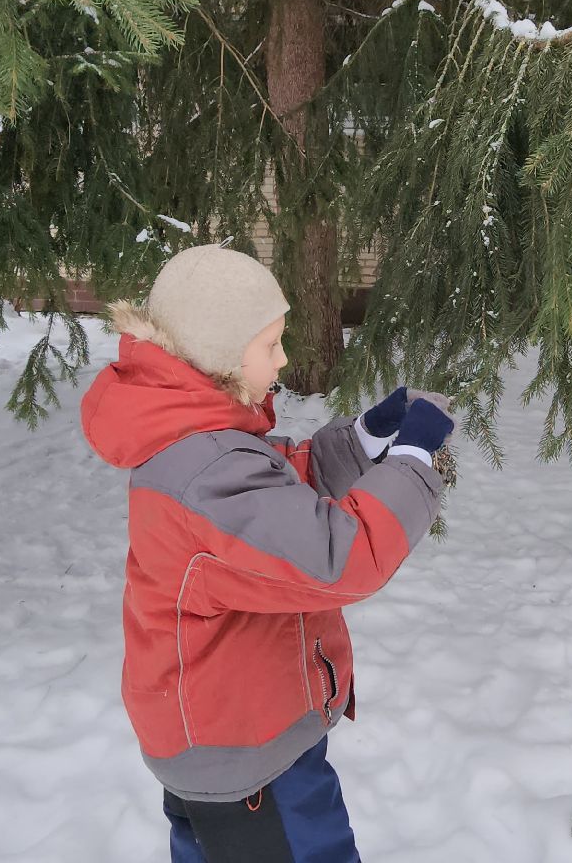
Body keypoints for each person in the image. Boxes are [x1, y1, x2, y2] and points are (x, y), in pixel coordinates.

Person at [81, 245, 454, 862]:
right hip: (252, 765)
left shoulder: (200, 442)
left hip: (223, 747)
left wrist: (362, 441)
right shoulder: (204, 476)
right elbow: (337, 557)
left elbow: (276, 499)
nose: (284, 358)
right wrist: (414, 461)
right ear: (222, 356)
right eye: (270, 345)